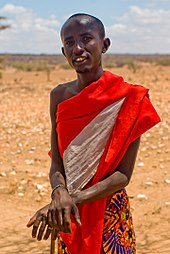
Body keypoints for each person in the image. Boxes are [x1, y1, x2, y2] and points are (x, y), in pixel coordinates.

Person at [27, 13, 160, 254]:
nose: (77, 48)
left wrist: (70, 200)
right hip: (68, 214)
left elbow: (123, 175)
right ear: (63, 51)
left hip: (110, 214)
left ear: (104, 44)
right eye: (69, 42)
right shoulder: (59, 96)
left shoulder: (128, 98)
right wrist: (59, 194)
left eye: (86, 39)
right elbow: (57, 161)